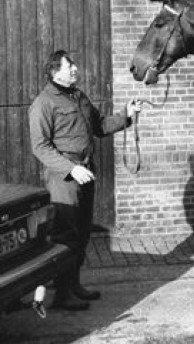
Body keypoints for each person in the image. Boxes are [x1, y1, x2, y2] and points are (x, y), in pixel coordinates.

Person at [29, 50, 142, 311]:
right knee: (65, 234)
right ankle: (62, 295)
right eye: (70, 66)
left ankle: (74, 285)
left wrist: (126, 114)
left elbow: (99, 125)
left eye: (74, 65)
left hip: (86, 171)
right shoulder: (44, 103)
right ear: (55, 72)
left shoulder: (78, 96)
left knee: (81, 232)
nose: (76, 69)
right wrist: (70, 168)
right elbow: (40, 147)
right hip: (64, 177)